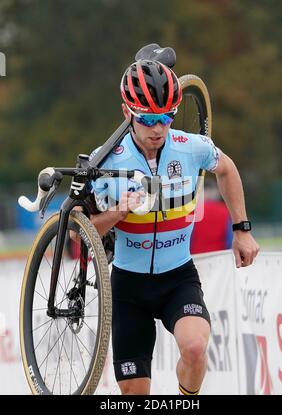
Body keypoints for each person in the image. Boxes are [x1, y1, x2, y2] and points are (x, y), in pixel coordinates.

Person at [88, 59, 259, 395]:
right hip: (127, 286)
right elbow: (86, 230)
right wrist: (119, 211)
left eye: (166, 118)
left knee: (195, 350)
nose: (158, 129)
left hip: (177, 277)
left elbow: (226, 169)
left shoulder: (190, 146)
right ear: (127, 113)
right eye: (148, 119)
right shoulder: (105, 160)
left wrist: (242, 228)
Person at [190, 178, 233, 254]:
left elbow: (188, 237)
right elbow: (230, 239)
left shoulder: (193, 210)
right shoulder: (225, 210)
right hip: (218, 256)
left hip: (195, 256)